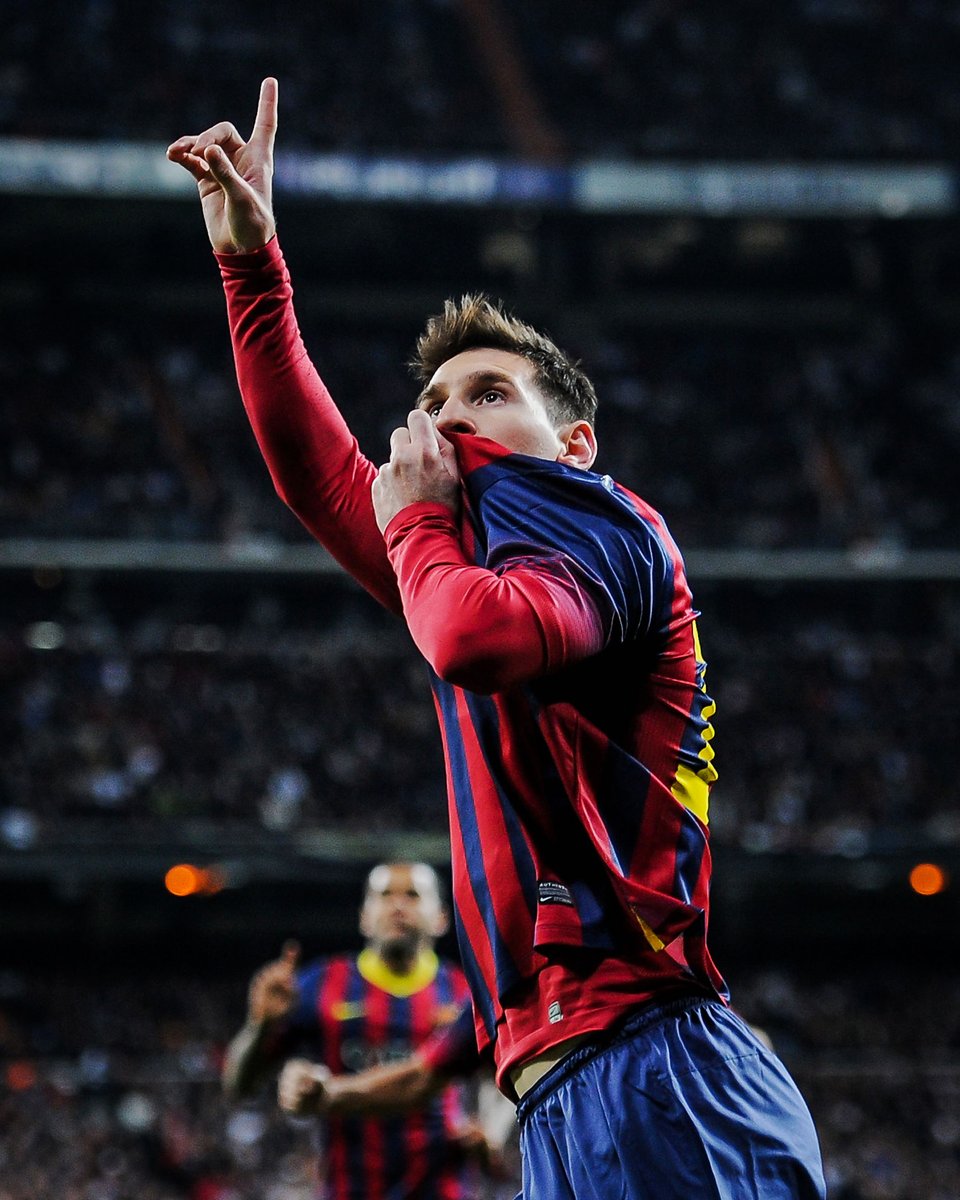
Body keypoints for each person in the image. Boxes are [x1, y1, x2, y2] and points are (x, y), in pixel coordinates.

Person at [169, 79, 826, 1199]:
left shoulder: (614, 531)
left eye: (485, 393)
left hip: (657, 1070)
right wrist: (251, 268)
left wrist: (416, 520)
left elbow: (472, 640)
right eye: (433, 401)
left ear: (575, 444)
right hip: (565, 1093)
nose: (446, 419)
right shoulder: (457, 560)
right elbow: (318, 478)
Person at [221, 860, 490, 1199]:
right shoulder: (320, 984)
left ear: (441, 917)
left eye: (412, 895)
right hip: (348, 1189)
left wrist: (490, 1131)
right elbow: (239, 1085)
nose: (398, 905)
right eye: (385, 895)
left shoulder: (466, 991)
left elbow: (500, 1078)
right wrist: (260, 1026)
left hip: (443, 1190)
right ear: (364, 915)